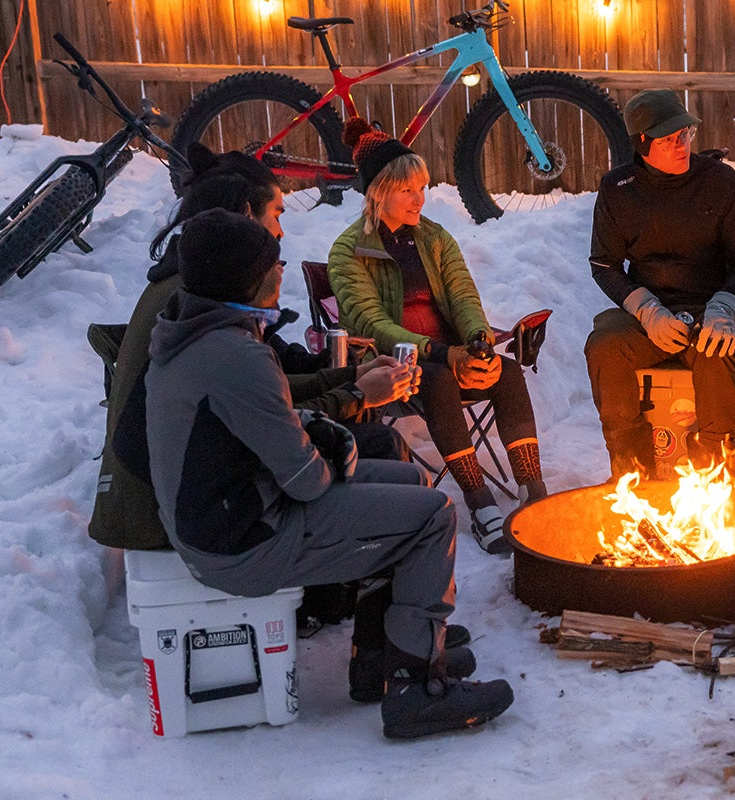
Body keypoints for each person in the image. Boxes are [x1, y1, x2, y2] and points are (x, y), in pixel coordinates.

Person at [146, 208, 514, 739]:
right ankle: (417, 687)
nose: (280, 273)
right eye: (274, 265)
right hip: (244, 543)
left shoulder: (195, 333)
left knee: (410, 483)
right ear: (249, 279)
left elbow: (259, 426)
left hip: (229, 517)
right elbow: (309, 482)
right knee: (433, 515)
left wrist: (325, 424)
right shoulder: (234, 354)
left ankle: (379, 658)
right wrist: (336, 442)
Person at [90, 144, 415, 554]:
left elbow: (262, 384)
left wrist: (350, 377)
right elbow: (263, 400)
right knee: (373, 447)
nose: (280, 232)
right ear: (245, 213)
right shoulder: (195, 295)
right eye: (278, 213)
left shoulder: (191, 278)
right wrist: (354, 392)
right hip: (173, 509)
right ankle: (362, 572)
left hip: (170, 488)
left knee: (352, 442)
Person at [328, 117, 547, 557]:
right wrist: (443, 353)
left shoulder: (433, 238)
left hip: (450, 352)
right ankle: (479, 500)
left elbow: (463, 296)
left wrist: (479, 343)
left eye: (422, 188)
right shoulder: (349, 250)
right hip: (395, 365)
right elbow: (373, 324)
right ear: (378, 192)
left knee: (504, 371)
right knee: (439, 379)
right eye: (408, 189)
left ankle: (534, 491)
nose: (420, 199)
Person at [584, 89, 735, 480]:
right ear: (642, 143)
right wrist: (646, 310)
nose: (682, 145)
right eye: (669, 139)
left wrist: (725, 307)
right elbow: (604, 264)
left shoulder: (719, 181)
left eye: (686, 135)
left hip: (711, 308)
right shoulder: (618, 190)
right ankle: (632, 470)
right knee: (604, 347)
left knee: (715, 350)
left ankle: (715, 468)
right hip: (650, 315)